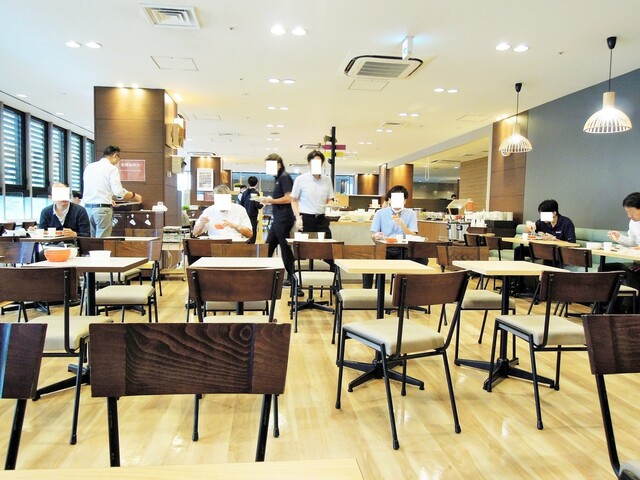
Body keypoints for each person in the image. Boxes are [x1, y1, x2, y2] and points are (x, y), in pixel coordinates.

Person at [363, 185, 419, 288]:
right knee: (368, 260)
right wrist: (376, 236)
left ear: (405, 201)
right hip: (384, 248)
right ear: (389, 200)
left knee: (420, 259)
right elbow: (373, 235)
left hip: (404, 249)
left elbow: (413, 236)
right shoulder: (380, 213)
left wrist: (402, 225)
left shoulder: (411, 214)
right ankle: (367, 291)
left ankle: (408, 292)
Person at [82, 145, 142, 237]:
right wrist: (134, 195)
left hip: (87, 209)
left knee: (90, 239)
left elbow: (92, 188)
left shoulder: (89, 167)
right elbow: (118, 192)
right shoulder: (112, 169)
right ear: (115, 155)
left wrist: (109, 199)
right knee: (102, 241)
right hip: (102, 210)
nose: (118, 161)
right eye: (119, 158)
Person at [260, 154, 296, 285]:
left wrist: (271, 200)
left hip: (284, 218)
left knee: (284, 248)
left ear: (279, 165)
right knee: (268, 246)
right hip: (279, 219)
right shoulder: (279, 179)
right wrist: (271, 200)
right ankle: (264, 275)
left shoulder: (284, 177)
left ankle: (293, 277)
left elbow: (289, 198)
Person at [605, 192, 640, 311]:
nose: (629, 216)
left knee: (632, 273)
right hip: (637, 262)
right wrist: (619, 237)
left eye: (632, 212)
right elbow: (632, 242)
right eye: (627, 212)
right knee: (607, 269)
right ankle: (607, 309)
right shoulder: (633, 223)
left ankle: (630, 311)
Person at [290, 150, 334, 237]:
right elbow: (293, 200)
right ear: (309, 163)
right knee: (306, 244)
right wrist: (298, 217)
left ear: (322, 164)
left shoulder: (327, 180)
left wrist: (333, 206)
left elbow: (330, 199)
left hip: (322, 218)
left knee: (327, 242)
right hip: (306, 218)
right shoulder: (300, 179)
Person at [239, 176, 263, 244]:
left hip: (245, 215)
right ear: (257, 183)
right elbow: (257, 205)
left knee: (246, 230)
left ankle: (246, 245)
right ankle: (252, 246)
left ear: (248, 183)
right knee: (253, 231)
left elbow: (241, 205)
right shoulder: (255, 193)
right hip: (253, 215)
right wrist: (263, 204)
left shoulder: (244, 193)